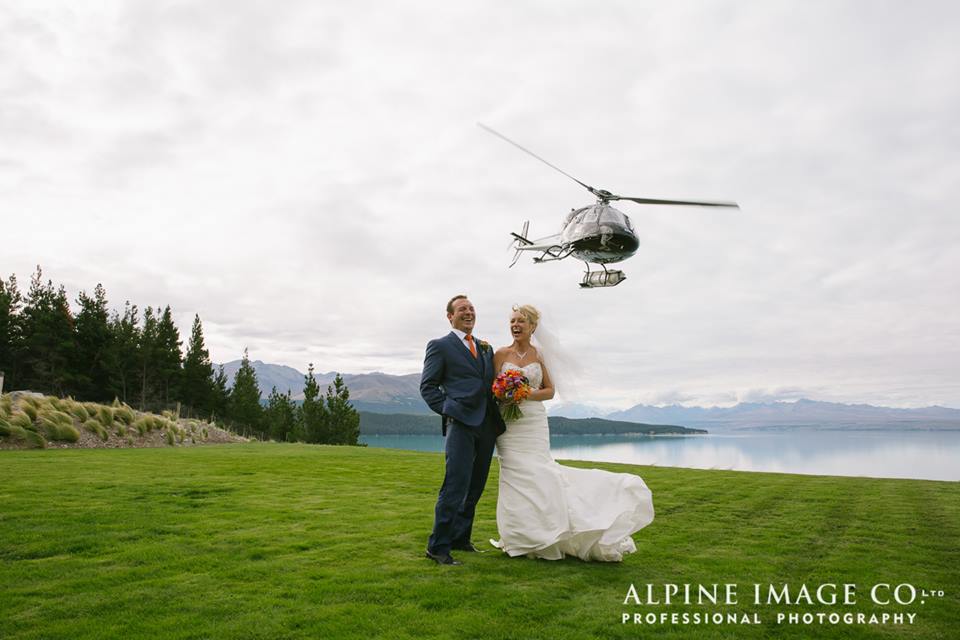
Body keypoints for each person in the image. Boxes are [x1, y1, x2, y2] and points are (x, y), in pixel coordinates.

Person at [490, 304, 654, 561]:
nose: (516, 325)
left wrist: (525, 393)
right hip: (509, 427)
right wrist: (503, 392)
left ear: (533, 327)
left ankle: (550, 532)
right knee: (513, 477)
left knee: (541, 473)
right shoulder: (500, 354)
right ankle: (518, 536)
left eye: (521, 321)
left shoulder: (540, 355)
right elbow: (492, 388)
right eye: (512, 321)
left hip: (532, 423)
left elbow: (550, 390)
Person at [420, 295, 506, 566]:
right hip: (460, 424)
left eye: (471, 309)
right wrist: (449, 410)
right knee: (455, 484)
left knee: (476, 486)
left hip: (487, 424)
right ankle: (438, 547)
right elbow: (428, 387)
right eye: (462, 310)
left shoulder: (484, 348)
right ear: (450, 316)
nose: (468, 313)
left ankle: (461, 538)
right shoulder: (439, 346)